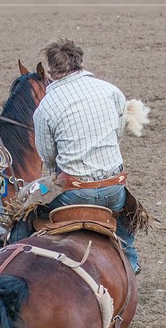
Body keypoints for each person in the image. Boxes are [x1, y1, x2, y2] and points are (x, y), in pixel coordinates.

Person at [10, 38, 141, 274]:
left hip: (73, 193)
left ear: (50, 69)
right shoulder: (111, 91)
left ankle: (12, 253)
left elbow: (48, 158)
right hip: (114, 191)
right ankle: (130, 256)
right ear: (80, 62)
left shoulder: (46, 107)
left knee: (24, 202)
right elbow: (118, 131)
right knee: (126, 212)